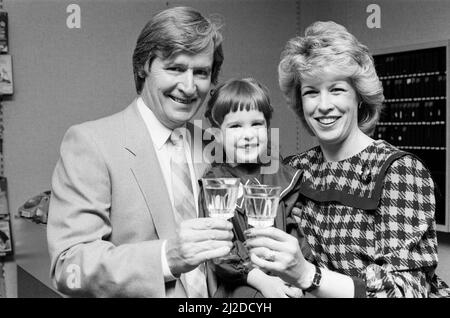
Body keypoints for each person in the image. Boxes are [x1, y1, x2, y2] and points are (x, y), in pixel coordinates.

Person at [244, 21, 450, 298]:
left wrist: (308, 275)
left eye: (337, 89)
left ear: (359, 97)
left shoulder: (399, 172)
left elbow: (404, 291)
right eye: (311, 92)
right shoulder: (295, 170)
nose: (324, 105)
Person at [47, 6, 234, 298]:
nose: (188, 86)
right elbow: (69, 267)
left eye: (201, 73)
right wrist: (165, 257)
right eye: (175, 68)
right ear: (143, 66)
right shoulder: (90, 143)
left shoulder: (215, 147)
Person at [200, 78, 307, 298]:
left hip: (287, 275)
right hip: (242, 282)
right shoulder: (217, 182)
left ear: (267, 128)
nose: (248, 135)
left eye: (256, 124)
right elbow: (219, 250)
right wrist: (263, 281)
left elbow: (297, 235)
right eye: (235, 126)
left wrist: (298, 276)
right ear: (218, 135)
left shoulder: (281, 175)